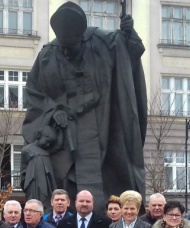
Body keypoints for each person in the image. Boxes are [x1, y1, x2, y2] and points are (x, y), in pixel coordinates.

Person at [21, 1, 147, 212]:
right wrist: (53, 113)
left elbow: (129, 55)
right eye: (64, 48)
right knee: (68, 186)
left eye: (71, 48)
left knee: (110, 181)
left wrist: (129, 34)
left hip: (105, 124)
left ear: (82, 38)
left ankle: (106, 219)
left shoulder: (103, 42)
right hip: (66, 135)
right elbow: (35, 95)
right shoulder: (47, 56)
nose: (67, 53)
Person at [21, 126, 58, 207]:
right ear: (39, 136)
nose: (48, 145)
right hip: (33, 182)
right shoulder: (27, 150)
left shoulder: (46, 153)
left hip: (46, 184)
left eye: (50, 143)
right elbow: (23, 168)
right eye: (47, 141)